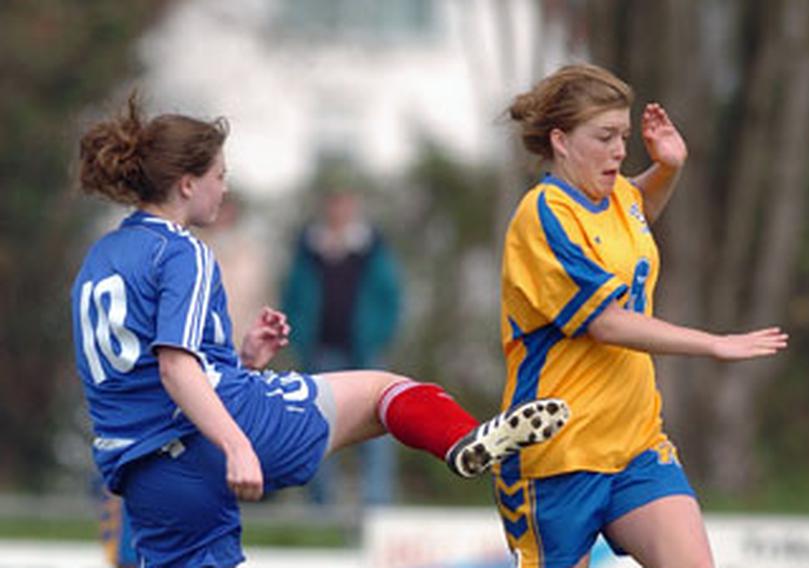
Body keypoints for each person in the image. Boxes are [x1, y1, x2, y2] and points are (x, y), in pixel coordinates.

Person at [71, 94, 570, 567]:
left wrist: (238, 359)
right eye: (219, 176)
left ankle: (462, 440)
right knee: (380, 390)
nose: (223, 189)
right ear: (186, 184)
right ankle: (462, 439)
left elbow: (136, 371)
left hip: (143, 473)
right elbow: (175, 368)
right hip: (210, 435)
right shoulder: (183, 250)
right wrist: (236, 444)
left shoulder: (101, 257)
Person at [494, 63, 788, 568]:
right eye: (605, 137)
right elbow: (605, 322)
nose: (620, 151)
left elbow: (635, 214)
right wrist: (712, 343)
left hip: (636, 445)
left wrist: (669, 168)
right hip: (557, 455)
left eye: (624, 136)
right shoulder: (543, 215)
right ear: (561, 141)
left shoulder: (618, 197)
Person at [282, 175, 402, 506]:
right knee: (321, 433)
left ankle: (378, 510)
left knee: (375, 434)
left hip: (365, 354)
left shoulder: (373, 246)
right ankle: (322, 510)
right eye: (333, 201)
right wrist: (301, 341)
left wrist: (378, 337)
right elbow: (292, 298)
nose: (339, 208)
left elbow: (390, 298)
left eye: (345, 201)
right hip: (321, 353)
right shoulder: (307, 248)